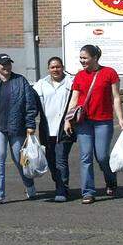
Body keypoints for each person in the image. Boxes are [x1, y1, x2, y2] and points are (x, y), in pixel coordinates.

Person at [62, 44, 123, 204]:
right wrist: (67, 120)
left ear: (95, 58)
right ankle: (88, 192)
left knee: (102, 156)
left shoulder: (109, 73)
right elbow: (74, 99)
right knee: (85, 156)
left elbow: (116, 97)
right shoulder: (79, 76)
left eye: (85, 58)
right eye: (80, 58)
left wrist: (120, 118)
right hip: (83, 122)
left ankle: (111, 180)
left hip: (103, 121)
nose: (82, 61)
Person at [0, 53, 39, 205]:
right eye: (3, 64)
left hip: (16, 127)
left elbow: (30, 105)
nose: (7, 67)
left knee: (19, 160)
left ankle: (30, 186)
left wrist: (30, 125)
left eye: (8, 64)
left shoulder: (20, 81)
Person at [32, 57, 74, 202]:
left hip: (65, 129)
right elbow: (31, 104)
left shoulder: (71, 82)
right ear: (48, 69)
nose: (55, 70)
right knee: (51, 160)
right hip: (46, 130)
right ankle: (59, 184)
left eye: (58, 67)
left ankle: (62, 189)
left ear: (63, 67)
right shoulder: (40, 84)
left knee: (61, 159)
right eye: (52, 67)